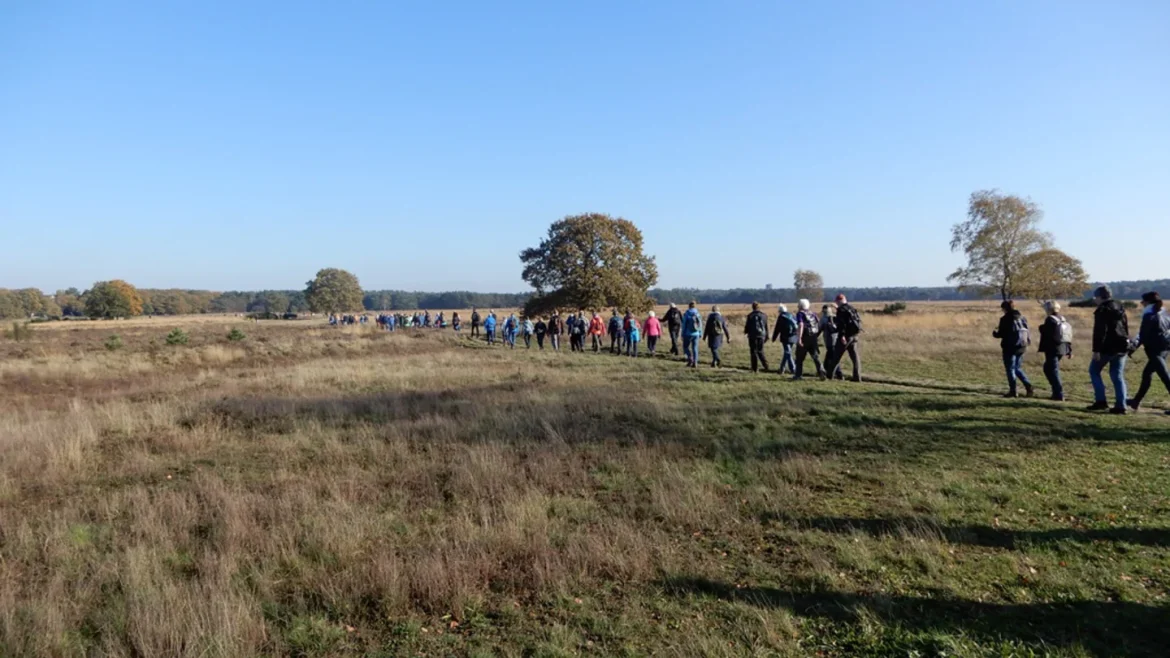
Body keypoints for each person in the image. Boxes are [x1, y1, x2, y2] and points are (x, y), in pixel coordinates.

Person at [1087, 285, 1130, 413]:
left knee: (1094, 370)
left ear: (1100, 297)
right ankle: (1121, 405)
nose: (1095, 300)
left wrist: (1096, 350)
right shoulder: (1119, 306)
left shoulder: (1102, 310)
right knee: (1117, 375)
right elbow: (1125, 326)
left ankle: (1101, 401)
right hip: (1122, 345)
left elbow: (1100, 332)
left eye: (1096, 297)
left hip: (1107, 346)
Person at [1128, 292, 1170, 414]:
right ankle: (1136, 401)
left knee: (1165, 377)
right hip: (1165, 348)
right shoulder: (1164, 313)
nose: (1141, 304)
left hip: (1155, 350)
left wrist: (1132, 349)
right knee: (1147, 374)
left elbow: (1143, 335)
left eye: (1142, 302)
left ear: (1147, 303)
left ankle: (1136, 401)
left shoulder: (1149, 315)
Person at [992, 300, 1034, 398]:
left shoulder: (1005, 319)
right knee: (1017, 368)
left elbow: (1001, 334)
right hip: (1022, 346)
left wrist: (995, 333)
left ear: (1005, 309)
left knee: (1010, 369)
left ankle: (1013, 391)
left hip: (1009, 347)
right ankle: (1028, 385)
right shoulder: (1023, 318)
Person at [822, 294, 862, 382]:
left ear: (839, 300)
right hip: (854, 336)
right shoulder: (851, 308)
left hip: (845, 337)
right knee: (855, 357)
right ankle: (857, 377)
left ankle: (829, 376)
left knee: (836, 356)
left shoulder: (841, 310)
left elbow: (842, 325)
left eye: (837, 301)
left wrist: (842, 336)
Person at [1038, 301, 1072, 401]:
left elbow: (1048, 334)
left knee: (1052, 370)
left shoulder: (1049, 319)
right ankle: (1056, 391)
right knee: (1049, 369)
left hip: (1052, 348)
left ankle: (1058, 394)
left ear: (1048, 309)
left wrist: (1041, 328)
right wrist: (1069, 349)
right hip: (1063, 347)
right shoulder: (1062, 319)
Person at [793, 299, 823, 380]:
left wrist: (799, 338)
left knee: (799, 357)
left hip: (804, 337)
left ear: (800, 306)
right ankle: (821, 372)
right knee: (815, 356)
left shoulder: (800, 314)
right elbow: (818, 322)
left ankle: (798, 375)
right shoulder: (812, 313)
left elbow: (801, 325)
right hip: (813, 337)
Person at [771, 304, 798, 375]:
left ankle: (793, 369)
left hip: (785, 337)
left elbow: (777, 328)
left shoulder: (781, 317)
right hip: (793, 337)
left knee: (788, 353)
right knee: (787, 353)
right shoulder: (792, 315)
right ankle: (782, 369)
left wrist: (774, 338)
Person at [743, 302, 770, 373]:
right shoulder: (764, 315)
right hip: (761, 335)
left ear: (752, 307)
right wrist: (767, 335)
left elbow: (747, 326)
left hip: (752, 335)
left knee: (753, 351)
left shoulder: (750, 316)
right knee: (760, 350)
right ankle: (766, 365)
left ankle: (754, 368)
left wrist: (745, 331)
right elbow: (766, 326)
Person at [820, 304, 841, 379]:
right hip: (836, 340)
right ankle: (825, 370)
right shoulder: (835, 317)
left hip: (829, 341)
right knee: (830, 355)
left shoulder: (824, 319)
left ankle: (839, 373)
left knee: (832, 357)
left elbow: (819, 328)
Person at [682, 301, 703, 367]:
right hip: (696, 333)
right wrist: (700, 332)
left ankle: (690, 357)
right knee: (695, 348)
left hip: (688, 333)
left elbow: (684, 325)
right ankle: (695, 362)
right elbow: (700, 324)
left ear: (689, 306)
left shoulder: (687, 313)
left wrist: (682, 333)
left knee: (685, 347)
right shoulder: (698, 314)